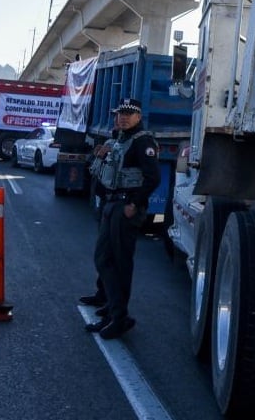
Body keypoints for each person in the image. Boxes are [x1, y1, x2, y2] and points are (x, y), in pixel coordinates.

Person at [79, 99, 159, 340]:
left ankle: (119, 317)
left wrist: (134, 204)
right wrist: (99, 155)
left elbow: (153, 178)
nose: (122, 117)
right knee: (104, 258)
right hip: (112, 204)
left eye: (128, 114)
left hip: (125, 207)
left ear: (138, 116)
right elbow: (98, 170)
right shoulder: (119, 140)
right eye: (119, 114)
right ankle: (112, 309)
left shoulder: (142, 142)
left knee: (120, 263)